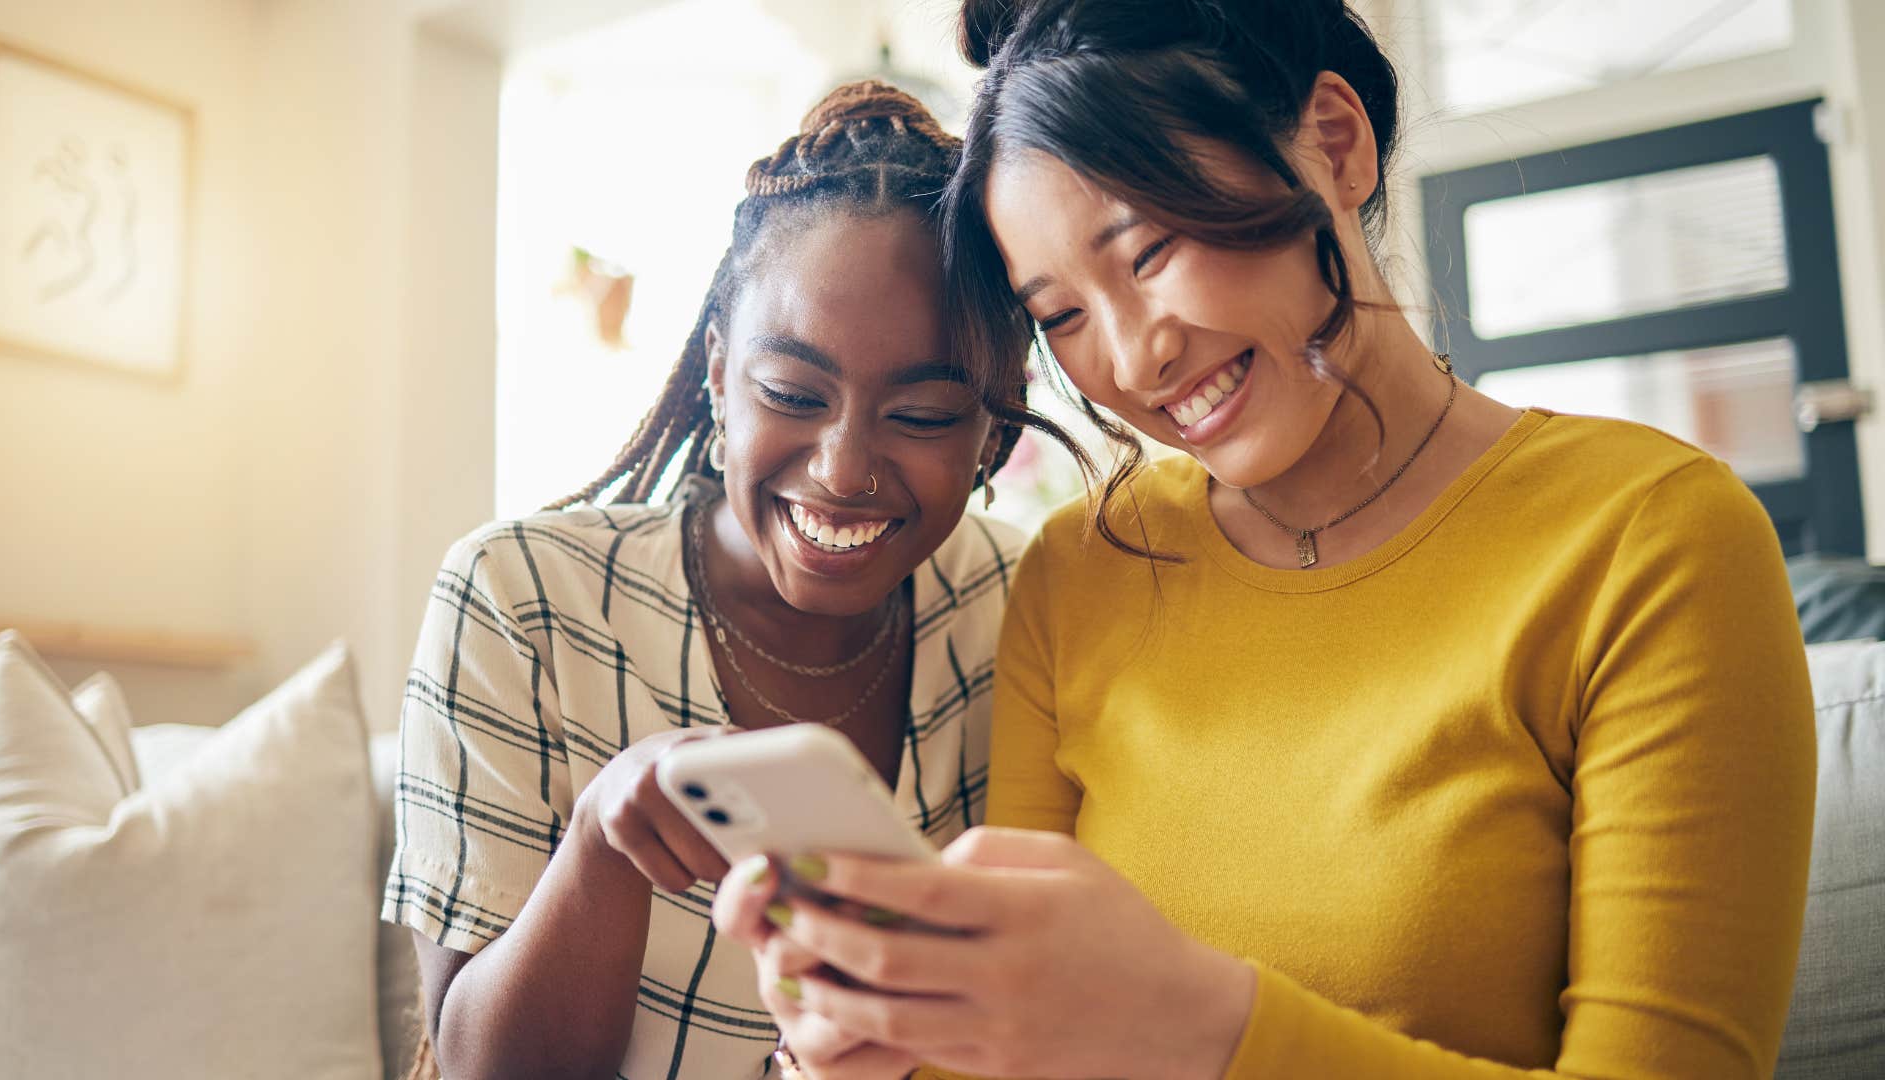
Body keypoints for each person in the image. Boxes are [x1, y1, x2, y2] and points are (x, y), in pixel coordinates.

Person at [714, 3, 1818, 1078]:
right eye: (1062, 315)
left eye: (1148, 251)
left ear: (1334, 145)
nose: (1135, 362)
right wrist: (881, 1051)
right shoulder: (1084, 567)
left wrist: (1198, 1023)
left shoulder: (1648, 539)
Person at [383, 81, 1081, 1079]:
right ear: (716, 373)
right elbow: (477, 1067)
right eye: (793, 393)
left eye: (923, 415)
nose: (844, 471)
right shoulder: (519, 597)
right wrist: (602, 843)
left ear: (996, 432)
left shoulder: (1023, 607)